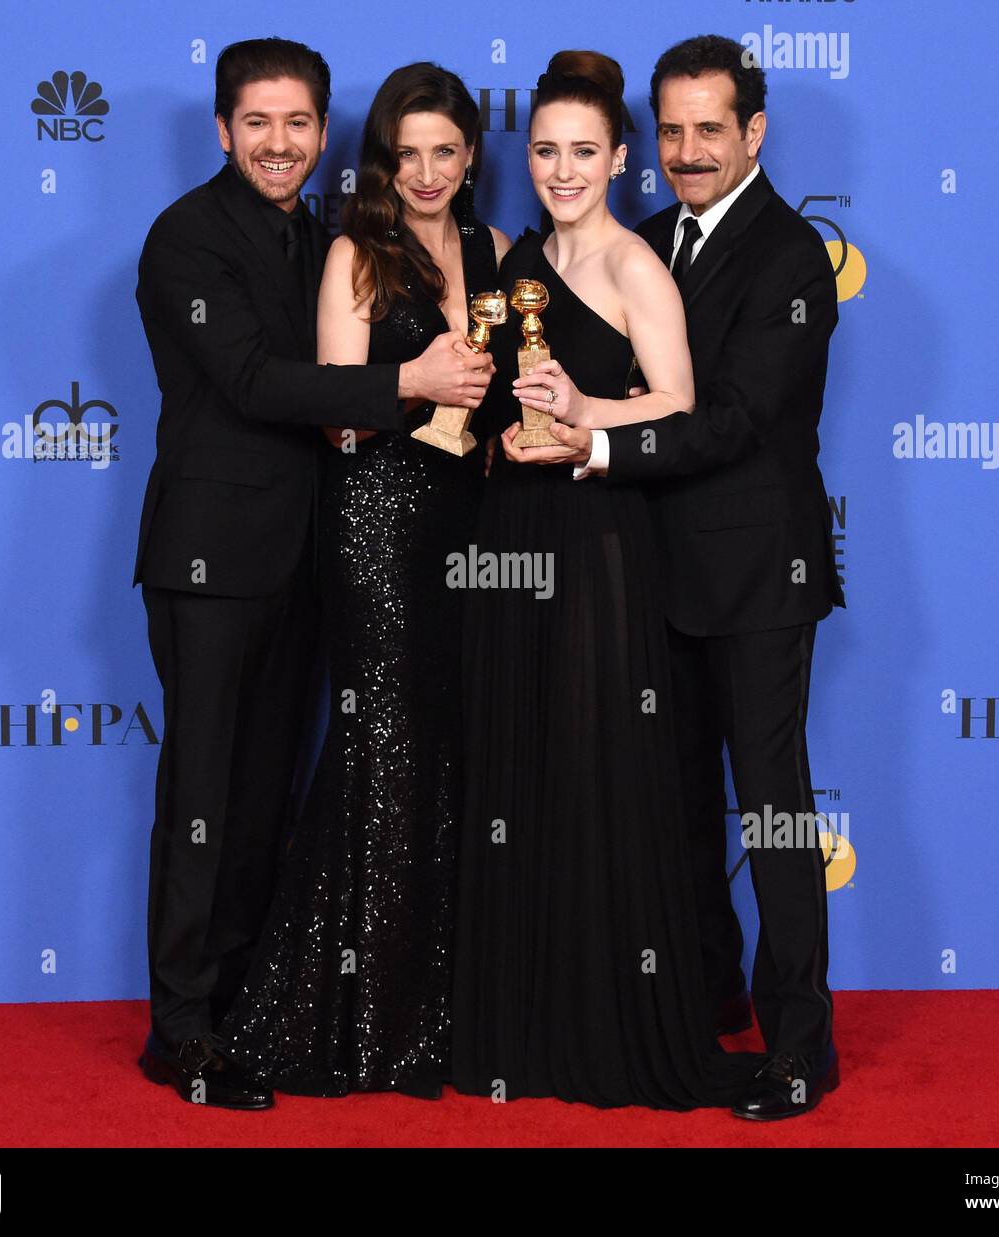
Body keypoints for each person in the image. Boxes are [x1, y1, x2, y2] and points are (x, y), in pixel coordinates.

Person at [133, 39, 492, 1110]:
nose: (279, 145)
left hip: (305, 560)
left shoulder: (317, 240)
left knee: (261, 797)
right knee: (203, 793)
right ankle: (181, 1032)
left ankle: (241, 1004)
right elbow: (249, 380)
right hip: (210, 562)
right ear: (221, 130)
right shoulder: (185, 239)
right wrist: (408, 382)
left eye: (298, 126)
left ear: (322, 134)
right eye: (258, 124)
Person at [451, 49, 762, 1110]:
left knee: (593, 767)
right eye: (544, 150)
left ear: (620, 157)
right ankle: (520, 1021)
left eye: (584, 150)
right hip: (510, 527)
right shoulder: (512, 263)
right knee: (519, 766)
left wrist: (584, 413)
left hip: (596, 542)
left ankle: (608, 1022)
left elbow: (676, 402)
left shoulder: (638, 265)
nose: (562, 168)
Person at [540, 35, 844, 1120]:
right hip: (651, 573)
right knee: (672, 806)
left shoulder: (793, 258)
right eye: (668, 131)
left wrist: (597, 443)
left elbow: (730, 422)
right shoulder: (650, 239)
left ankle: (800, 1044)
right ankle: (708, 1003)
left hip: (760, 573)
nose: (686, 151)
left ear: (753, 133)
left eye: (708, 129)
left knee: (768, 812)